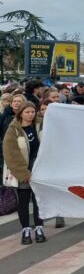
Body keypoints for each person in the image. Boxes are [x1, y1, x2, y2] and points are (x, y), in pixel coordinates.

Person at [3, 102, 45, 244]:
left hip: (39, 168)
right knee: (24, 201)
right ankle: (26, 229)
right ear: (20, 113)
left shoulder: (40, 125)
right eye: (27, 112)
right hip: (22, 170)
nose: (30, 114)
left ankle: (39, 227)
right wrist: (24, 173)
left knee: (38, 200)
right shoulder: (13, 130)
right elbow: (11, 154)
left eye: (33, 111)